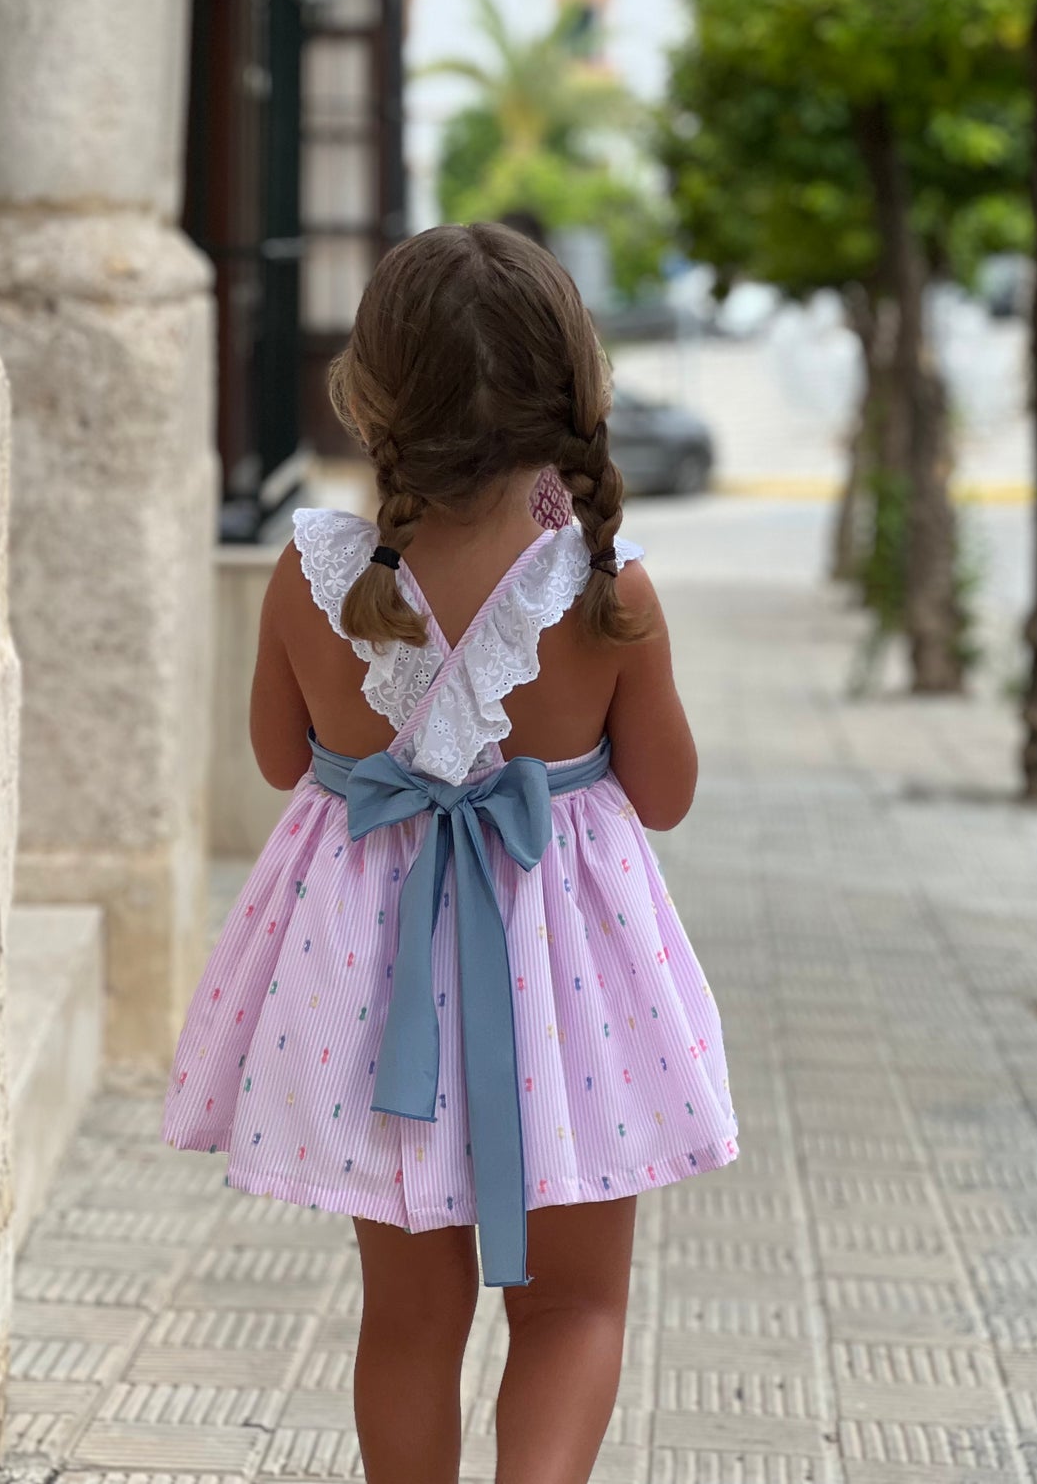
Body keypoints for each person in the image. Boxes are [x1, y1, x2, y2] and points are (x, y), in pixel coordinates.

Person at [161, 222, 739, 1484]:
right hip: (566, 979)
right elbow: (666, 791)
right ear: (572, 390)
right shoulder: (605, 586)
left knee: (410, 1319)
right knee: (573, 1309)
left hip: (371, 987)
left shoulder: (312, 576)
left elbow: (276, 758)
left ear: (374, 392)